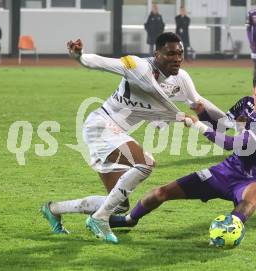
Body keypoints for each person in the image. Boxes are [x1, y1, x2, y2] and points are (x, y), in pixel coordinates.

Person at [40, 32, 226, 243]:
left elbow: (198, 102)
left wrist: (230, 122)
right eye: (170, 53)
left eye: (180, 53)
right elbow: (101, 63)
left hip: (116, 133)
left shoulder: (181, 79)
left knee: (119, 204)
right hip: (101, 125)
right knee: (146, 163)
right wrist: (80, 56)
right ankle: (100, 218)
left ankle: (54, 209)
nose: (177, 58)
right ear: (156, 53)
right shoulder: (136, 66)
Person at [108, 71, 256, 238]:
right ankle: (129, 219)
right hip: (226, 171)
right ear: (253, 92)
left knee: (253, 195)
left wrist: (197, 125)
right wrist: (202, 112)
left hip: (253, 179)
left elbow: (232, 144)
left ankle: (231, 228)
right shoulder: (246, 103)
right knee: (163, 192)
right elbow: (222, 127)